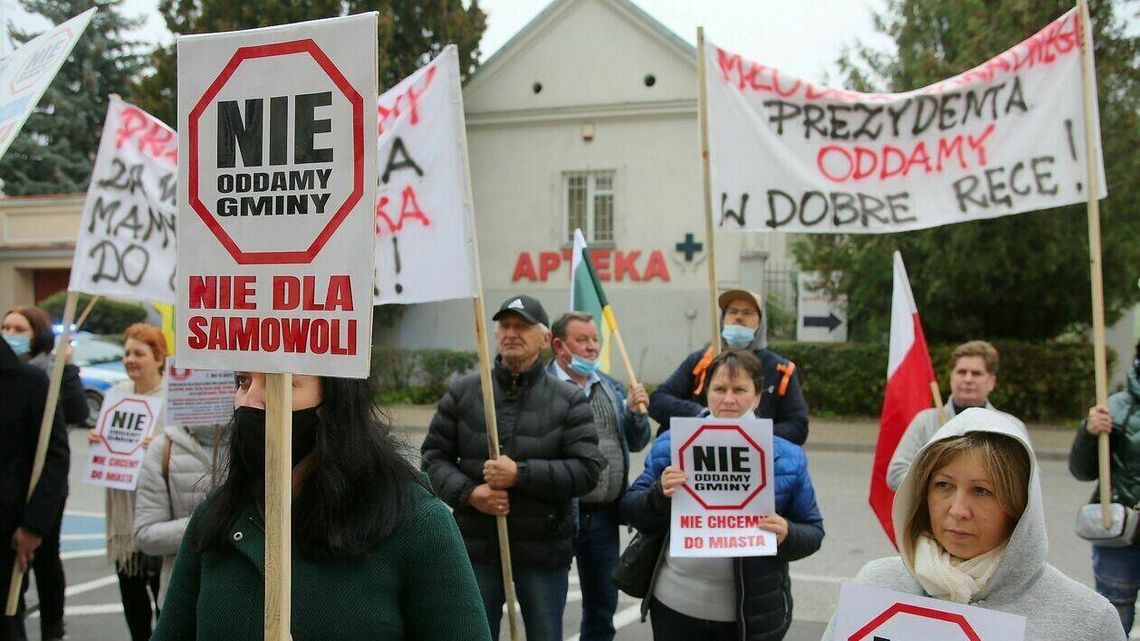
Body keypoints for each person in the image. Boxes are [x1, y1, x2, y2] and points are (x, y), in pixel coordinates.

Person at [152, 371, 491, 640]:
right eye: (243, 381)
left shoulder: (415, 523)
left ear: (335, 400)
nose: (248, 401)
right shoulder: (218, 516)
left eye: (278, 382)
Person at [822, 407, 1124, 641]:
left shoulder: (1087, 620)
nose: (957, 510)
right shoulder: (877, 584)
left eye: (982, 491)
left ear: (1020, 505)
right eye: (943, 485)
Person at [422, 294, 604, 641]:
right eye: (504, 325)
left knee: (544, 634)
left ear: (545, 339)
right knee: (473, 634)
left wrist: (521, 474)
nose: (510, 333)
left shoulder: (568, 400)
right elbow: (432, 458)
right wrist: (471, 493)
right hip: (476, 547)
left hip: (543, 551)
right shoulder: (465, 393)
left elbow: (587, 470)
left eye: (522, 326)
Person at [621, 349, 824, 641]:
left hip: (751, 618)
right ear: (706, 394)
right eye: (719, 389)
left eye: (740, 390)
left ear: (756, 398)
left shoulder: (787, 457)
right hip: (675, 607)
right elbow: (629, 509)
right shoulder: (672, 443)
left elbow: (814, 532)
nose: (728, 399)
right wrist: (658, 495)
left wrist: (787, 533)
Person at [547, 311, 651, 641]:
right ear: (559, 345)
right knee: (547, 607)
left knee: (602, 607)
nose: (592, 347)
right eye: (583, 340)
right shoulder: (541, 388)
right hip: (557, 515)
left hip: (605, 517)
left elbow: (636, 442)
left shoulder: (611, 386)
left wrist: (636, 415)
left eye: (595, 340)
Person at [2, 306, 85, 641]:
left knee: (46, 561)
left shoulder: (41, 378)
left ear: (37, 335)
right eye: (5, 326)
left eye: (18, 329)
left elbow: (73, 420)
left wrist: (67, 370)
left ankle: (52, 626)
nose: (10, 334)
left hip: (39, 495)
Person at [648, 289, 808, 444]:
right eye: (732, 311)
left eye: (747, 312)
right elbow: (658, 400)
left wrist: (751, 435)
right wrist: (701, 414)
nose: (739, 317)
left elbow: (798, 426)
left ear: (761, 322)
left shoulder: (780, 370)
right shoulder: (700, 361)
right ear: (722, 320)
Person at [89, 323, 166, 641]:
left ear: (159, 357)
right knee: (133, 603)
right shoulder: (116, 395)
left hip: (159, 513)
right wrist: (98, 442)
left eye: (139, 353)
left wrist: (159, 445)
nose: (130, 359)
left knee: (165, 603)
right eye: (127, 353)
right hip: (124, 518)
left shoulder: (172, 399)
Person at [1070, 340, 1140, 636]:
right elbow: (1082, 471)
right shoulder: (1114, 408)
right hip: (1121, 536)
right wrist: (1089, 432)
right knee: (1113, 615)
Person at [888, 340, 1024, 490]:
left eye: (976, 373)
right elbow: (896, 472)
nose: (967, 379)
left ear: (992, 382)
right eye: (961, 372)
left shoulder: (1011, 427)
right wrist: (939, 488)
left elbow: (1025, 482)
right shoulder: (925, 421)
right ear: (951, 376)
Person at [133, 415, 230, 605]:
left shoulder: (260, 441)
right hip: (180, 597)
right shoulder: (163, 448)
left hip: (237, 596)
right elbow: (145, 535)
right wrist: (205, 523)